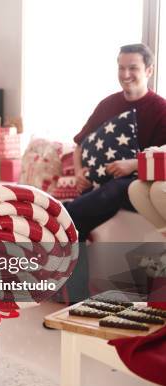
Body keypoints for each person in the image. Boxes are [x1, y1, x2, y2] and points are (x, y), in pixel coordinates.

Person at [65, 43, 166, 299]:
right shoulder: (108, 104)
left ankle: (62, 214)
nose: (125, 74)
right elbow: (79, 144)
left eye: (133, 67)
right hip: (104, 185)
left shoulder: (161, 109)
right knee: (72, 226)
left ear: (149, 70)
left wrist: (132, 164)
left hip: (138, 183)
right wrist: (79, 173)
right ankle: (75, 300)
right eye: (121, 67)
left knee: (74, 212)